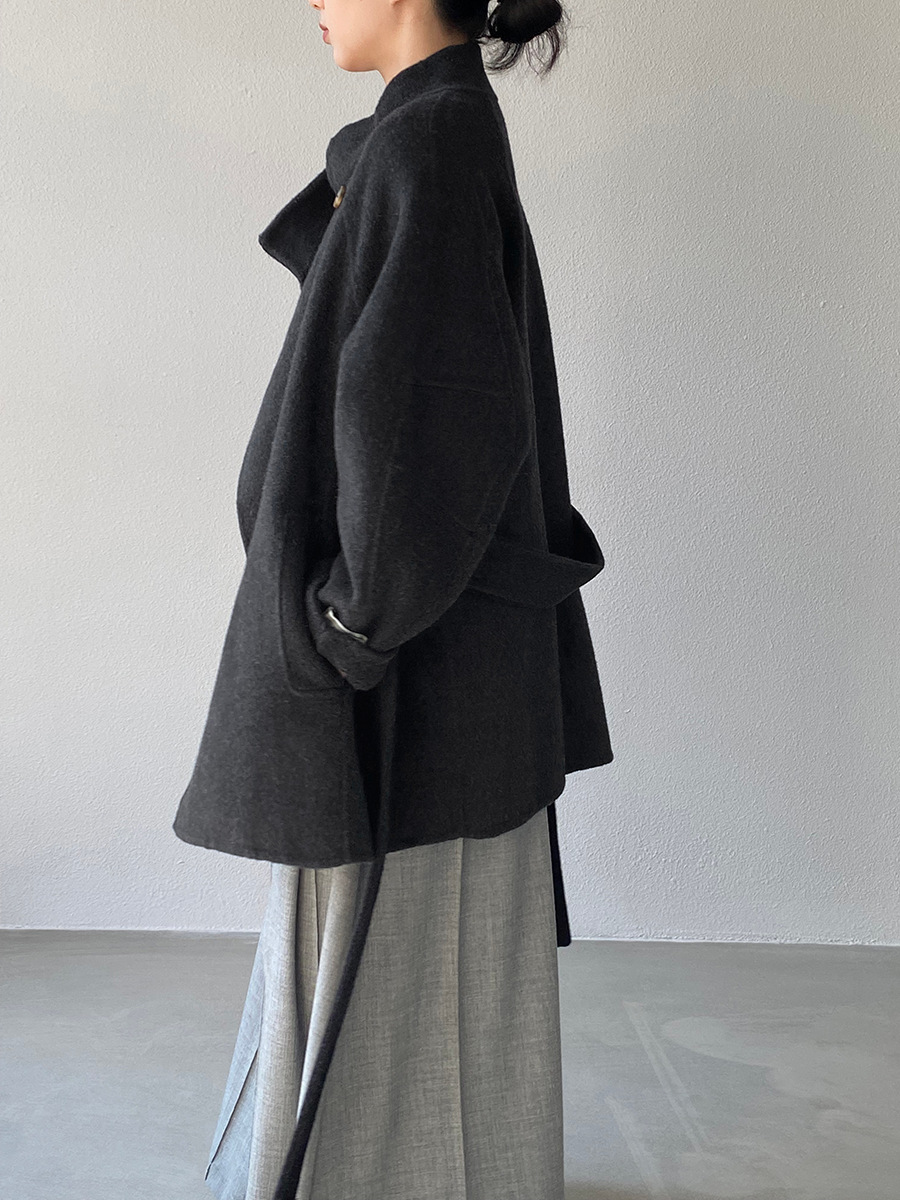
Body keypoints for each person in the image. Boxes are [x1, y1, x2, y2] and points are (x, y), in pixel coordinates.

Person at [173, 2, 615, 1198]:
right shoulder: (431, 129)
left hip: (409, 663)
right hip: (434, 648)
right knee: (421, 947)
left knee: (384, 929)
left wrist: (350, 625)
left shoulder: (431, 139)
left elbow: (436, 416)